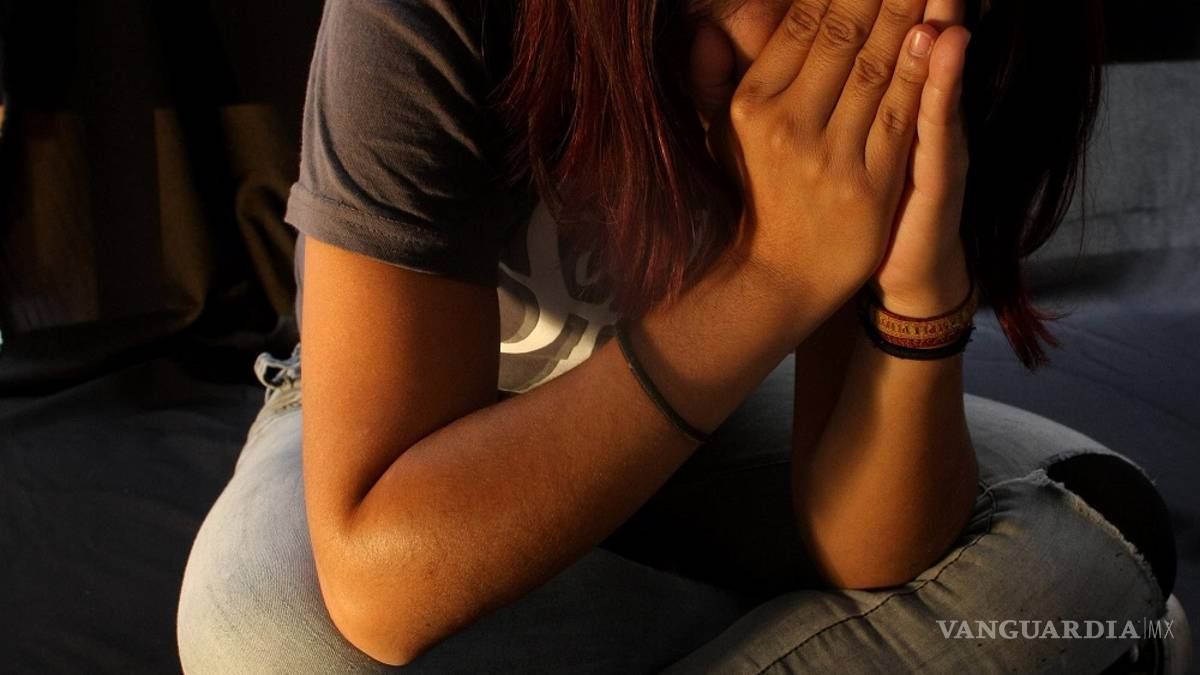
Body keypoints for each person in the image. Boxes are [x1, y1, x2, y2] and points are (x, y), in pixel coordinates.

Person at [177, 0, 1183, 672]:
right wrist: (770, 277)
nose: (899, 35)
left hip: (719, 412)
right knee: (274, 643)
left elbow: (864, 550)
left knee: (1084, 555)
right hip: (399, 430)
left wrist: (918, 294)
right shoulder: (427, 15)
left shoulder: (878, 61)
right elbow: (377, 582)